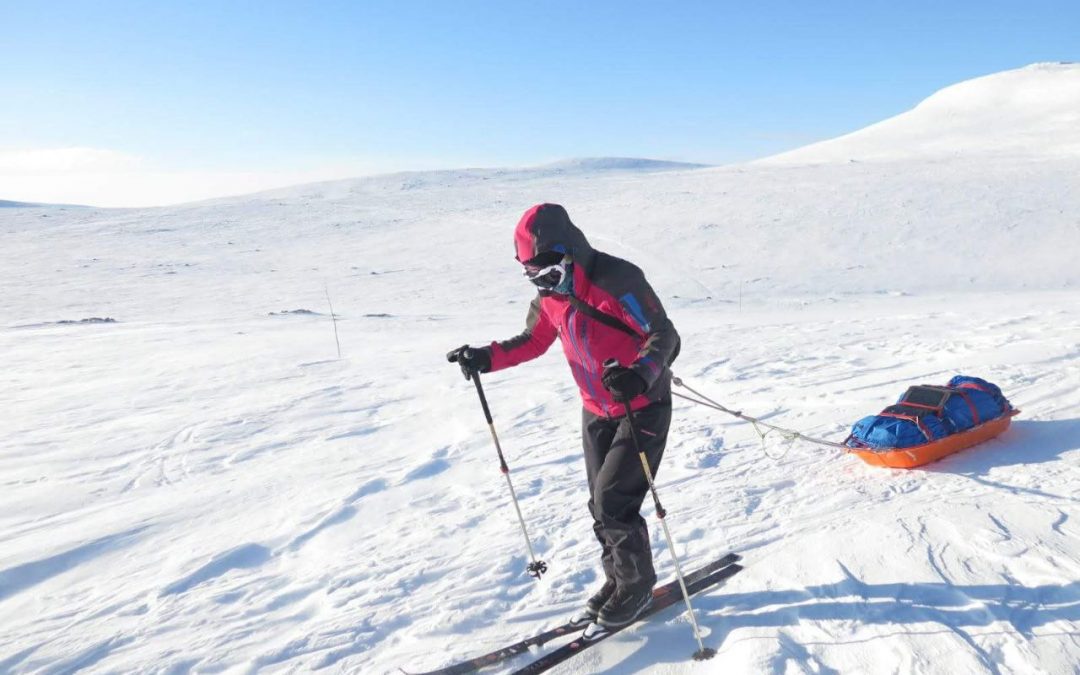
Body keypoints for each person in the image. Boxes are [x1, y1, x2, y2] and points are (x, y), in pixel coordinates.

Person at [448, 203, 680, 628]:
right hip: (595, 409)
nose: (543, 283)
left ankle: (637, 585)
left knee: (614, 500)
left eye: (549, 272)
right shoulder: (550, 298)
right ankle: (619, 577)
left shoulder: (617, 279)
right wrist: (486, 357)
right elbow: (531, 341)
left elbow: (664, 334)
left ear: (569, 252)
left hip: (641, 405)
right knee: (600, 502)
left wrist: (639, 375)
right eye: (532, 275)